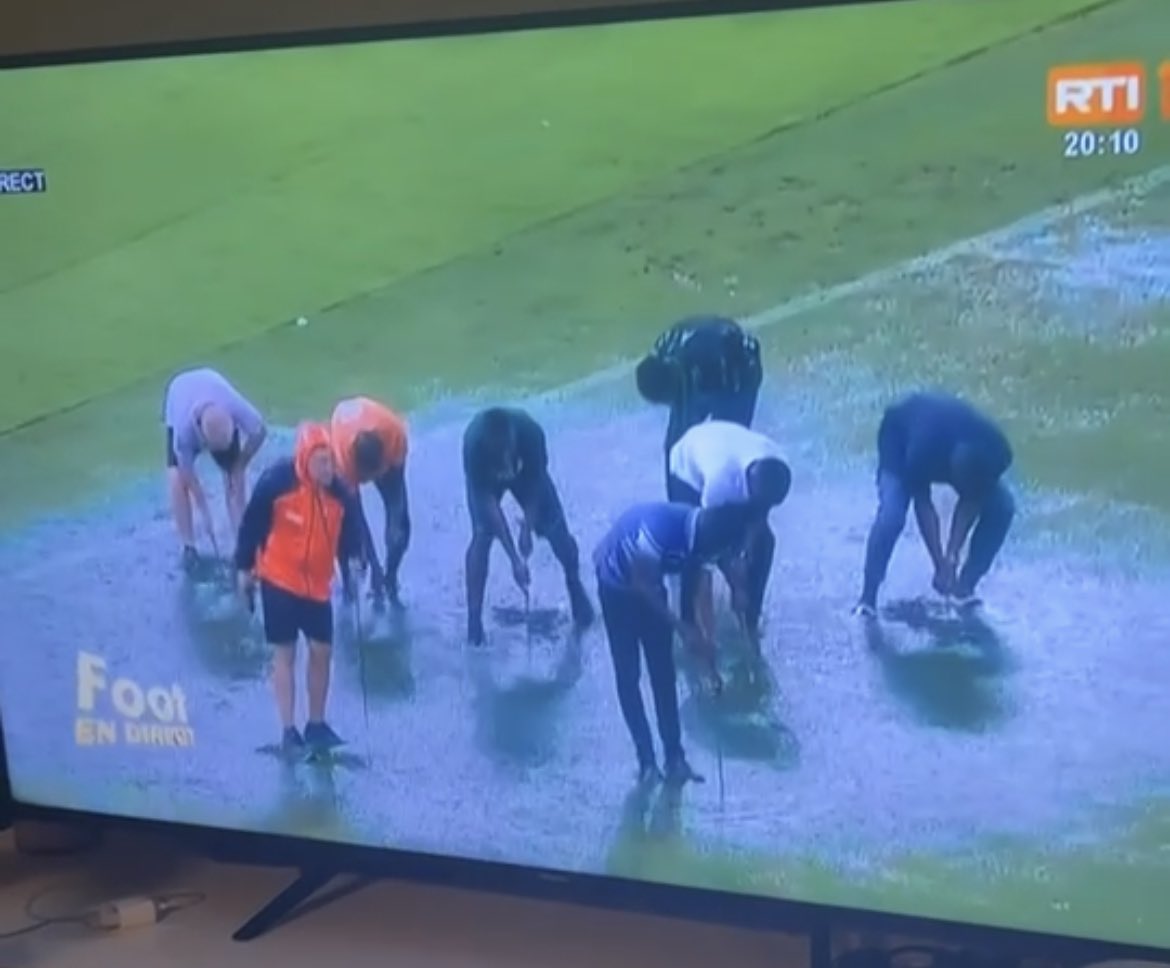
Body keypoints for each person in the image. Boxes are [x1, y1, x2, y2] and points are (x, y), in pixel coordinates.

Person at [594, 501, 754, 785]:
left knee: (663, 672)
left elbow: (700, 587)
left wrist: (706, 638)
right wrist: (682, 628)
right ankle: (646, 762)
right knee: (628, 674)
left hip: (652, 584)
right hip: (617, 585)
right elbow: (640, 583)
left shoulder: (707, 537)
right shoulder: (658, 532)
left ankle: (675, 758)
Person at [235, 423, 364, 754]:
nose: (329, 469)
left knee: (322, 651)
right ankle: (288, 730)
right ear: (305, 460)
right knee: (285, 654)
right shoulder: (276, 483)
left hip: (318, 587)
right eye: (322, 462)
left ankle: (317, 724)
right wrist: (244, 569)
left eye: (331, 461)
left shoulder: (340, 493)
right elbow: (252, 526)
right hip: (279, 580)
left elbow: (352, 531)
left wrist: (352, 560)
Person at [854, 392, 1015, 618]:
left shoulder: (998, 450)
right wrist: (939, 562)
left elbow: (973, 498)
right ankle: (867, 599)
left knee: (1003, 507)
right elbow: (924, 506)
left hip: (953, 445)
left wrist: (952, 555)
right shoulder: (923, 450)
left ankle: (964, 589)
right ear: (952, 469)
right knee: (892, 515)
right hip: (898, 439)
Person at [462, 406, 594, 646]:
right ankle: (473, 620)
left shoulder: (530, 432)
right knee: (482, 535)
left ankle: (574, 585)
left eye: (505, 451)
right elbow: (490, 507)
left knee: (557, 529)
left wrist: (527, 527)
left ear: (513, 437)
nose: (502, 457)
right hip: (487, 483)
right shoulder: (474, 445)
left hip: (528, 477)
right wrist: (514, 558)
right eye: (496, 453)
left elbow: (537, 485)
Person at [667, 420, 792, 652]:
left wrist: (748, 560)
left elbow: (758, 523)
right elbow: (708, 540)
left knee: (766, 543)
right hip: (686, 468)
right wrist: (737, 582)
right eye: (760, 503)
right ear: (750, 487)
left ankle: (750, 615)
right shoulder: (720, 482)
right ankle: (689, 623)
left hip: (723, 446)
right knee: (694, 551)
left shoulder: (777, 464)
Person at [635, 314, 763, 496]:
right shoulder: (662, 354)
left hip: (740, 366)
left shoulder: (718, 369)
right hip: (702, 359)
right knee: (677, 443)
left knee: (728, 439)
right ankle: (681, 504)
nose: (671, 404)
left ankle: (736, 495)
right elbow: (676, 442)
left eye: (668, 399)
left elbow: (728, 431)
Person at [163, 367, 268, 571]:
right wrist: (204, 510)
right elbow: (187, 474)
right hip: (178, 392)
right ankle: (189, 546)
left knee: (234, 474)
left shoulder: (234, 406)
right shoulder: (183, 433)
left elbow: (260, 432)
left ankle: (241, 537)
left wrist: (241, 463)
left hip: (212, 384)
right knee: (176, 478)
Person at [330, 396, 411, 608]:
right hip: (343, 429)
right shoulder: (342, 461)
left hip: (382, 431)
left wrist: (395, 533)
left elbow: (397, 500)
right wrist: (373, 565)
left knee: (400, 527)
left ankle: (391, 578)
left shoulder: (395, 435)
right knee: (348, 534)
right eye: (368, 476)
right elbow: (357, 516)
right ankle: (350, 588)